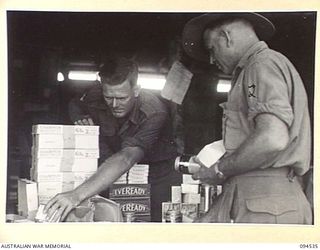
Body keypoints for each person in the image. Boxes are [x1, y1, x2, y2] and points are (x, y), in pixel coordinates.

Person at [182, 12, 312, 224]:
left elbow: (272, 138)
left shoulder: (259, 66)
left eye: (212, 50)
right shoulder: (256, 70)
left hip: (265, 201)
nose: (212, 60)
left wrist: (218, 169)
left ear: (227, 36)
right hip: (263, 199)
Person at [44, 57, 181, 222]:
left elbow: (127, 157)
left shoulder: (154, 112)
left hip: (157, 174)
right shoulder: (96, 94)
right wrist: (80, 118)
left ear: (136, 90)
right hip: (113, 168)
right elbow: (74, 105)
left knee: (151, 222)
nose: (114, 104)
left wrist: (75, 195)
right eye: (109, 97)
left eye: (122, 98)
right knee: (111, 218)